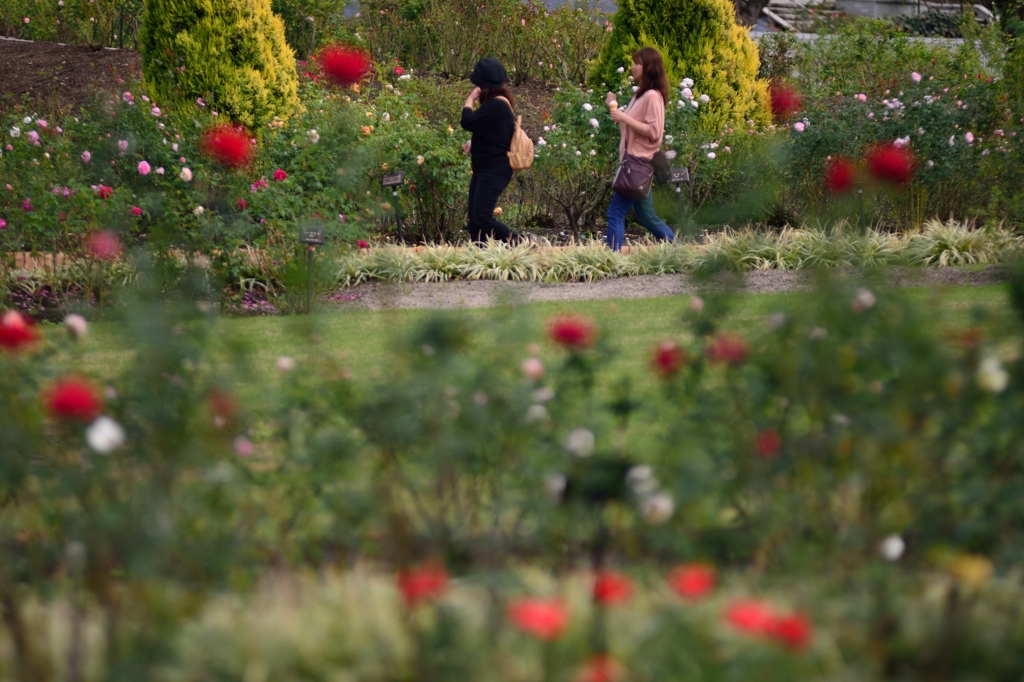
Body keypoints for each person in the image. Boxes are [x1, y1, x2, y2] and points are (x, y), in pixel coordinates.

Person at [605, 47, 675, 252]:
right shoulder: (640, 95)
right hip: (633, 162)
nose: (633, 67)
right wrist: (613, 106)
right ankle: (677, 251)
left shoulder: (653, 96)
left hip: (638, 164)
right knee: (646, 216)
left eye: (637, 63)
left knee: (615, 212)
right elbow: (629, 127)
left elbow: (654, 132)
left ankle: (612, 259)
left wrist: (623, 116)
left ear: (649, 67)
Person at [460, 58, 525, 244]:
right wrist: (474, 141)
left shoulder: (497, 105)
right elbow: (494, 132)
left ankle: (522, 242)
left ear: (483, 86)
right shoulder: (496, 105)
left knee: (482, 217)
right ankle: (479, 253)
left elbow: (468, 121)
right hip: (484, 168)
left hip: (495, 169)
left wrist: (470, 100)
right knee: (474, 220)